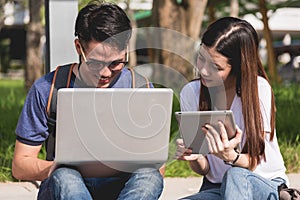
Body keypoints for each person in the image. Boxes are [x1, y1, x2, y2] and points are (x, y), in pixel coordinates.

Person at [12, 1, 163, 199]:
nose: (105, 73)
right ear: (78, 47)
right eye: (95, 62)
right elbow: (20, 166)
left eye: (116, 63)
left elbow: (158, 169)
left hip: (120, 189)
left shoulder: (140, 89)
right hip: (64, 186)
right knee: (66, 175)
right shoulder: (48, 90)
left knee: (150, 176)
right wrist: (54, 167)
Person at [176, 17, 289, 200]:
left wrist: (231, 156)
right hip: (216, 187)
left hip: (261, 182)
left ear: (238, 67)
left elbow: (254, 162)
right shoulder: (191, 93)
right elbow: (206, 170)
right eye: (201, 59)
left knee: (235, 175)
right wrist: (195, 157)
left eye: (215, 67)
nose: (203, 71)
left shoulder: (258, 90)